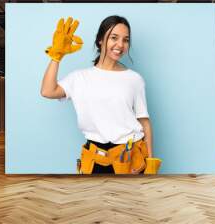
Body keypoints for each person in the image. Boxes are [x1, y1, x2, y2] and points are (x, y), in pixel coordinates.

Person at [41, 15, 155, 174]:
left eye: (126, 40)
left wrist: (150, 162)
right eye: (114, 37)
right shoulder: (79, 77)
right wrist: (56, 56)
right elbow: (47, 91)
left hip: (131, 158)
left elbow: (144, 121)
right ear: (100, 40)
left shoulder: (135, 79)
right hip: (94, 158)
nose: (120, 45)